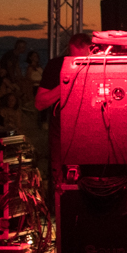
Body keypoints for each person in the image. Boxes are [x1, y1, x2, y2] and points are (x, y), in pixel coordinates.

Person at [35, 33, 94, 174]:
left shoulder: (101, 66)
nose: (79, 63)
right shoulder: (56, 66)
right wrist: (67, 83)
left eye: (83, 59)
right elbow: (39, 103)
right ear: (68, 51)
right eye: (74, 59)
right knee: (62, 178)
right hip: (62, 134)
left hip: (92, 133)